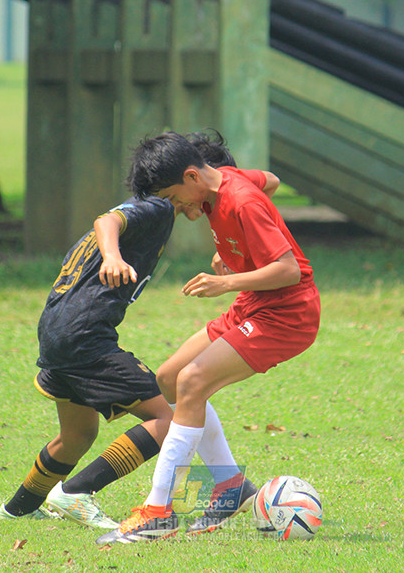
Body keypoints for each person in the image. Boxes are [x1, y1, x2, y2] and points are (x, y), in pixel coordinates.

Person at [0, 131, 278, 529]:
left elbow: (269, 179)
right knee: (169, 421)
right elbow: (107, 220)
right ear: (191, 178)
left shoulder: (174, 197)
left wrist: (233, 237)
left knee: (77, 434)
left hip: (57, 329)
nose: (212, 207)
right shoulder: (160, 209)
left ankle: (17, 509)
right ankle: (75, 493)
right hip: (85, 336)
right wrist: (111, 256)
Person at [97, 131, 320, 544]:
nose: (177, 210)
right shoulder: (227, 182)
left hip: (286, 314)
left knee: (192, 382)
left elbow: (289, 269)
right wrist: (243, 253)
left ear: (192, 177)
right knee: (169, 378)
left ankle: (158, 512)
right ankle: (230, 486)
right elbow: (268, 179)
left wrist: (231, 278)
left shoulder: (241, 201)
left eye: (175, 199)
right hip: (254, 303)